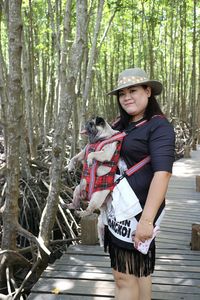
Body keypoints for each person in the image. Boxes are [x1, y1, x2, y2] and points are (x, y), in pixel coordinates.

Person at [105, 67, 175, 300]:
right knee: (139, 271)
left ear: (148, 91)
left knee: (123, 277)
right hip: (119, 209)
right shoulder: (119, 125)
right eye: (122, 93)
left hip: (139, 211)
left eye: (133, 90)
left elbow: (162, 174)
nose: (127, 97)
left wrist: (146, 220)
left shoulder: (159, 126)